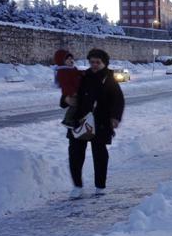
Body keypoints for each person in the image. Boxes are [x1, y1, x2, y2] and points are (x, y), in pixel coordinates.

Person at [62, 48, 125, 199]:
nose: (94, 65)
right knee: (75, 154)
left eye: (98, 62)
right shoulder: (82, 77)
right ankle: (77, 185)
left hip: (101, 123)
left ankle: (100, 186)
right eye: (92, 62)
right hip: (79, 121)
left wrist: (115, 118)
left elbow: (118, 101)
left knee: (100, 154)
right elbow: (67, 93)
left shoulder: (110, 80)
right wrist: (66, 100)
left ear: (104, 63)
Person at [53, 49, 82, 128]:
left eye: (71, 58)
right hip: (70, 92)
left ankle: (73, 119)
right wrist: (72, 92)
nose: (70, 60)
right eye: (68, 59)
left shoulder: (72, 69)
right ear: (62, 61)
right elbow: (65, 84)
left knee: (78, 104)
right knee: (74, 105)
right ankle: (67, 120)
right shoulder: (63, 71)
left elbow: (78, 74)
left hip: (75, 90)